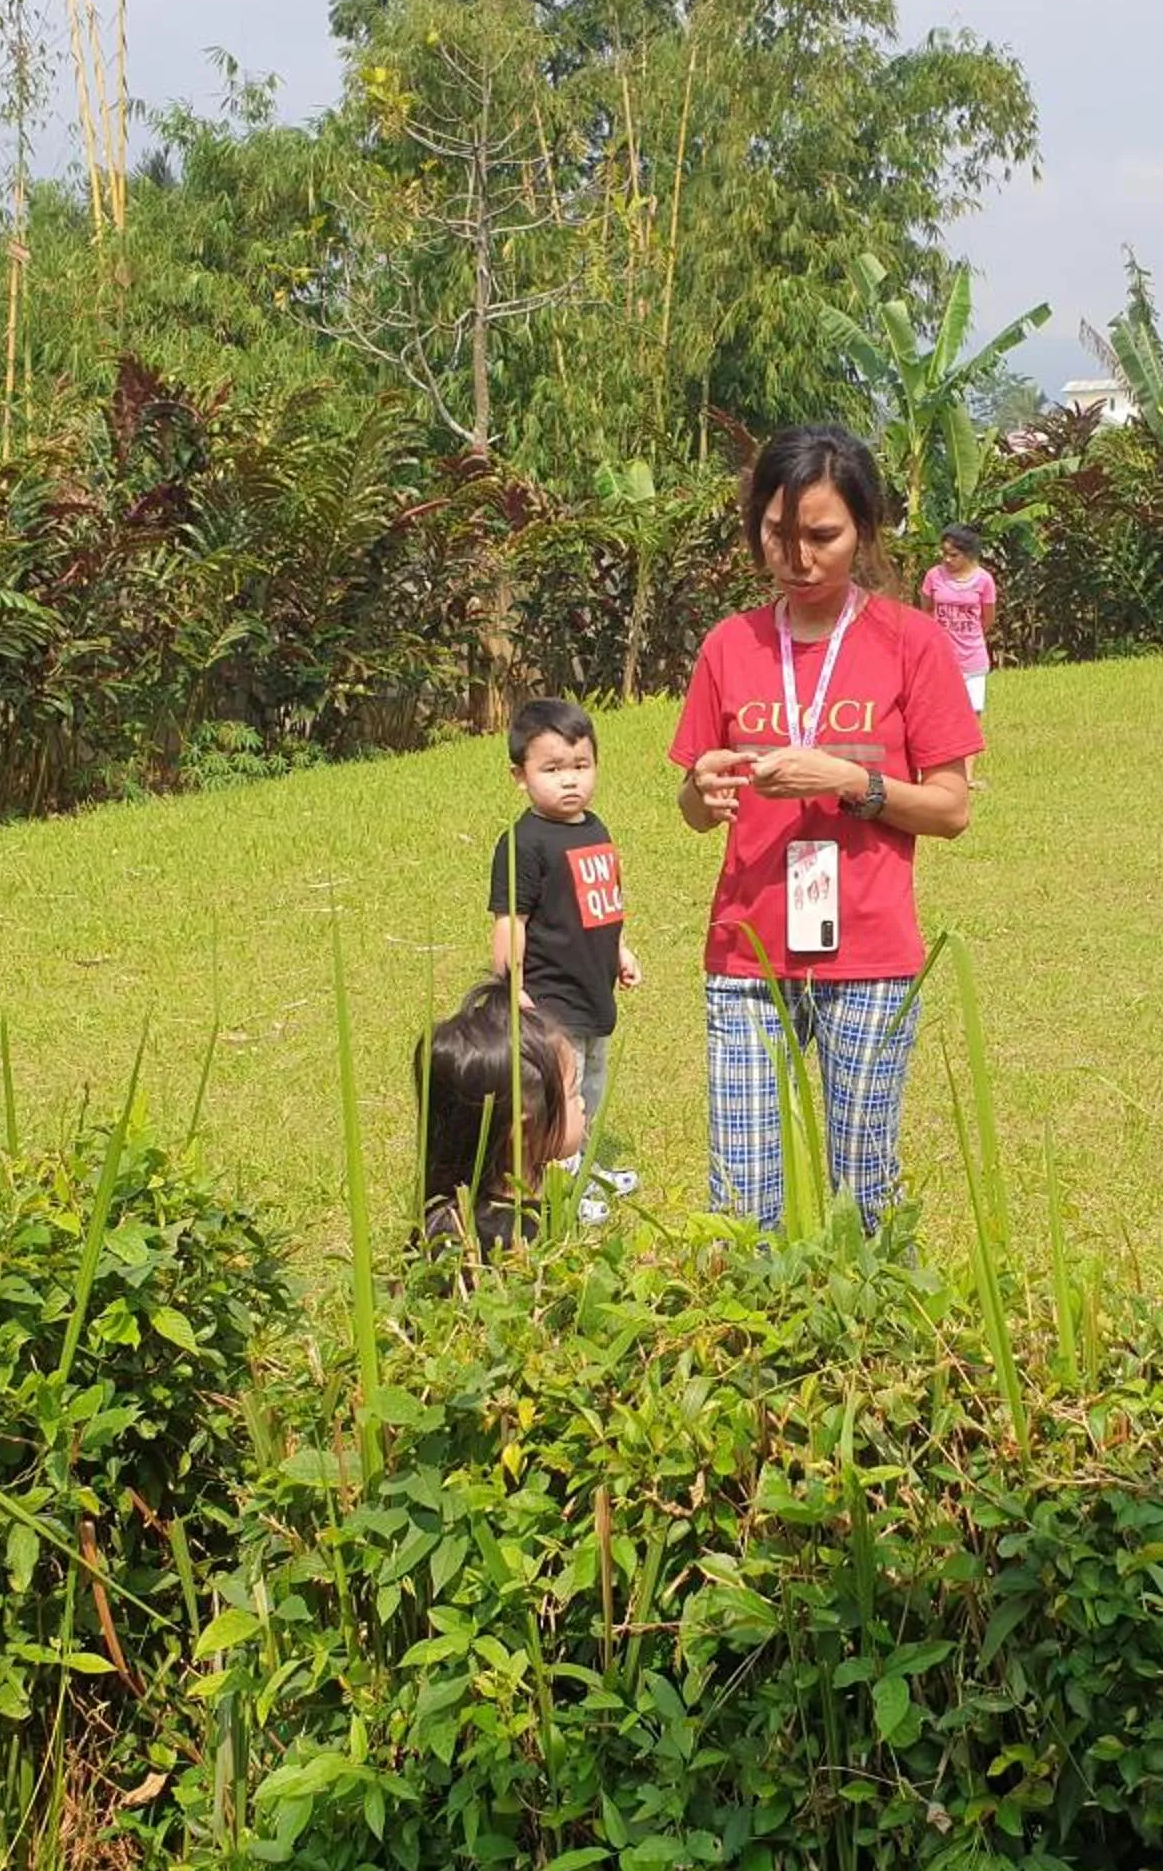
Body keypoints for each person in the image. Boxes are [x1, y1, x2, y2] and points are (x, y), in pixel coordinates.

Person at [668, 425, 982, 1230]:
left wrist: (852, 782)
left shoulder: (912, 644)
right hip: (749, 957)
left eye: (822, 536)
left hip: (869, 956)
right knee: (740, 1205)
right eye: (777, 534)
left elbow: (952, 809)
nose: (797, 558)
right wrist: (703, 791)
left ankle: (872, 1348)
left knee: (863, 1196)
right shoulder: (728, 646)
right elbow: (697, 810)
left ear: (866, 531)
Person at [488, 695, 641, 1208]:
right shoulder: (523, 843)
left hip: (594, 991)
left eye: (581, 765)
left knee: (590, 1084)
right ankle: (555, 1184)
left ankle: (583, 1162)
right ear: (520, 775)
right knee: (560, 1090)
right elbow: (511, 921)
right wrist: (513, 988)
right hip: (550, 997)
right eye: (552, 769)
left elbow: (602, 905)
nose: (570, 780)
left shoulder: (595, 829)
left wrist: (621, 951)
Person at [415, 976, 583, 1261]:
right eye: (572, 1092)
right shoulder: (517, 1241)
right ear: (523, 1128)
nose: (581, 1104)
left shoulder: (443, 1219)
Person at [918, 524, 998, 787]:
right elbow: (926, 611)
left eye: (954, 555)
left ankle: (967, 775)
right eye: (944, 554)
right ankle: (929, 771)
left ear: (969, 554)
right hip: (940, 658)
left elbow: (987, 618)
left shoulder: (984, 580)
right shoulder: (933, 577)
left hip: (973, 658)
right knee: (934, 714)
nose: (947, 560)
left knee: (972, 714)